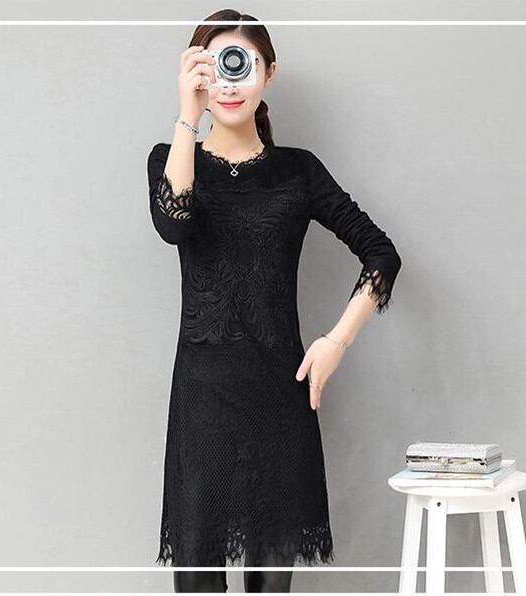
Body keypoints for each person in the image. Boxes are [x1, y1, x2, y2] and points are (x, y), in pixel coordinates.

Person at [146, 9, 402, 593]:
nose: (230, 82)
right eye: (216, 66)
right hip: (203, 402)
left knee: (270, 583)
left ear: (269, 73)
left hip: (280, 397)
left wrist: (337, 342)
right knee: (198, 579)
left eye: (243, 64)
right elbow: (173, 224)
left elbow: (381, 254)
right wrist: (188, 114)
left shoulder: (298, 171)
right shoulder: (172, 159)